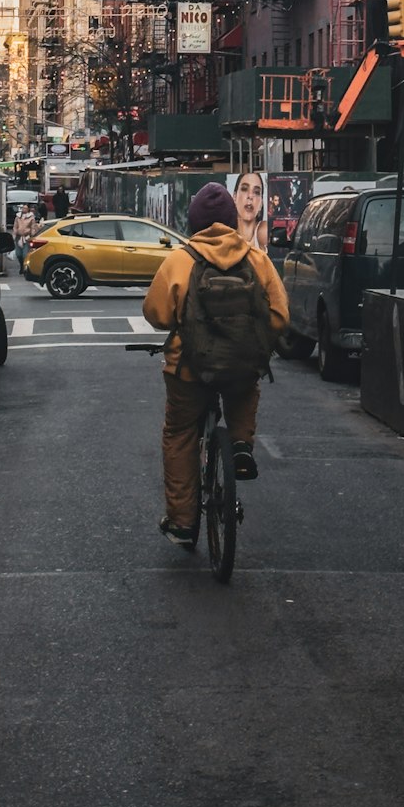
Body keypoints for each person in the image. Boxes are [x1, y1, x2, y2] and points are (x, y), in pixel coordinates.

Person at [143, 182, 289, 547]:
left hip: (188, 368)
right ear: (230, 219)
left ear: (194, 222)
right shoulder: (256, 259)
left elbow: (157, 314)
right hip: (241, 364)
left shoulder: (180, 259)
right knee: (243, 390)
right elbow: (279, 314)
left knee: (179, 434)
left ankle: (182, 522)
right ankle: (240, 446)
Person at [233, 170, 269, 252]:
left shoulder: (264, 231)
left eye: (256, 192)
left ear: (261, 204)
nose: (250, 196)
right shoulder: (224, 233)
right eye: (244, 189)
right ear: (234, 197)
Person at [13, 204, 38, 271]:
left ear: (28, 209)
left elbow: (33, 227)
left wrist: (32, 235)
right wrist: (14, 235)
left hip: (27, 237)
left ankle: (24, 268)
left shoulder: (31, 217)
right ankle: (21, 264)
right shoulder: (18, 217)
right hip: (18, 237)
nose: (24, 210)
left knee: (25, 254)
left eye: (25, 208)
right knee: (18, 254)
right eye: (23, 208)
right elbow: (15, 227)